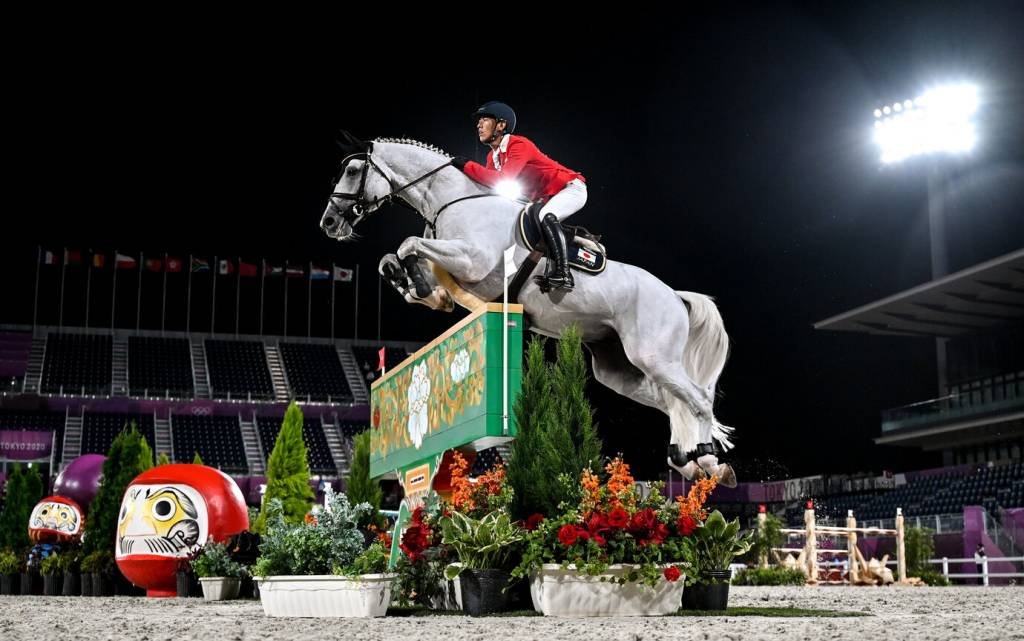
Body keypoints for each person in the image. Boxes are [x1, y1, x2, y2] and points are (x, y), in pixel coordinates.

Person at [451, 101, 587, 292]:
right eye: (478, 121)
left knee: (546, 217)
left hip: (570, 188)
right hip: (544, 198)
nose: (479, 125)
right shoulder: (493, 157)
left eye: (484, 120)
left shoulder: (519, 144)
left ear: (501, 125)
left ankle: (565, 274)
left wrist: (467, 166)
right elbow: (490, 189)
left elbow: (500, 179)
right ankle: (575, 241)